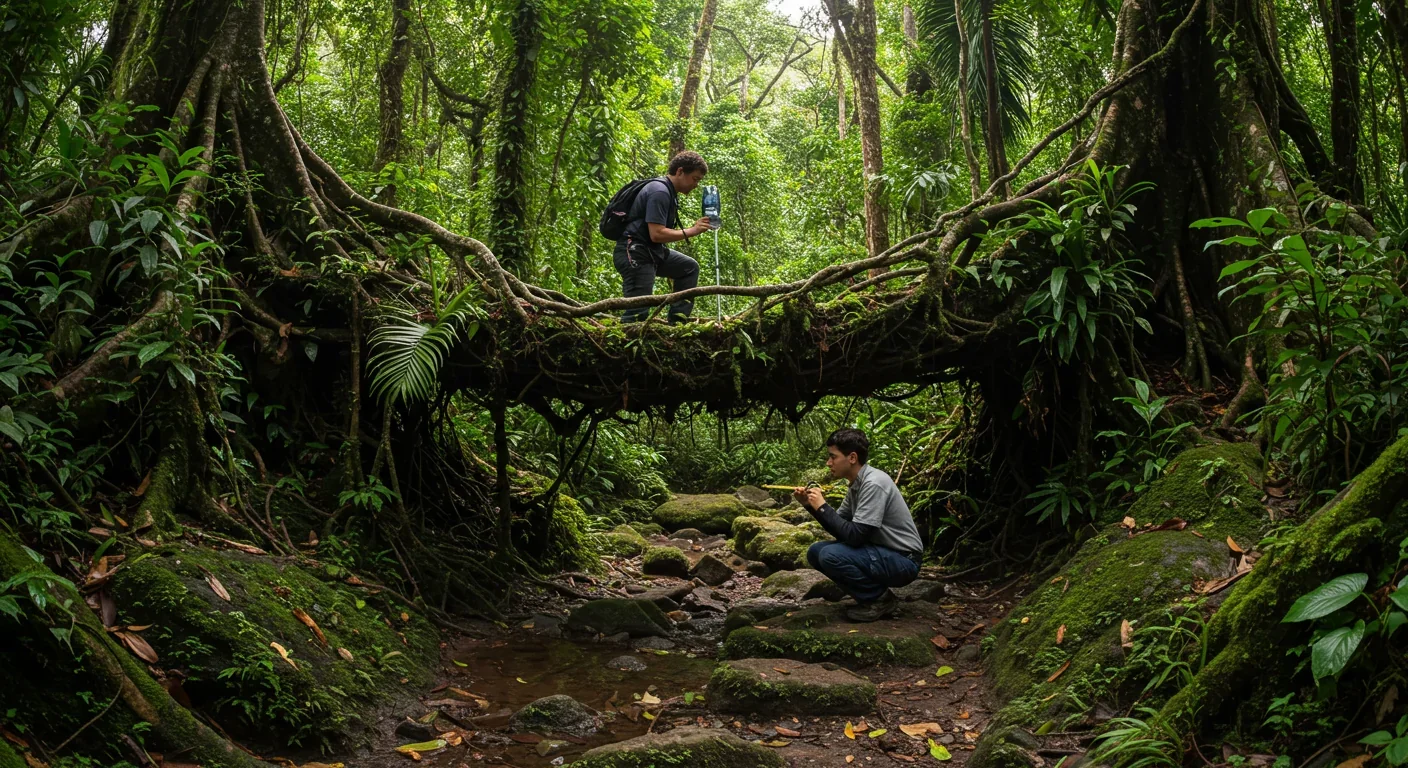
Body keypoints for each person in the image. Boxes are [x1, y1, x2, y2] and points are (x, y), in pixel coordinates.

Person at [793, 428, 924, 622]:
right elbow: (840, 529)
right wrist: (811, 506)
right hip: (880, 552)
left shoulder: (873, 483)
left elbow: (855, 536)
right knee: (816, 552)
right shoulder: (856, 484)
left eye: (833, 457)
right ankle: (872, 596)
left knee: (830, 555)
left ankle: (879, 599)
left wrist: (822, 506)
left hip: (904, 559)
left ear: (852, 457)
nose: (828, 463)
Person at [614, 151, 715, 323]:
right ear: (680, 172)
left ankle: (676, 325)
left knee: (689, 268)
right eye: (695, 179)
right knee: (637, 315)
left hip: (652, 252)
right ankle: (622, 345)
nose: (696, 185)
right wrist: (693, 230)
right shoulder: (659, 191)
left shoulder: (668, 191)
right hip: (635, 253)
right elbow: (657, 234)